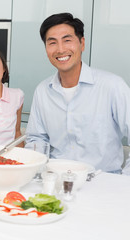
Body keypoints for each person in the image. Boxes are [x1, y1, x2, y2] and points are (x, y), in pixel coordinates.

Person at [26, 12, 130, 174]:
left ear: (82, 43)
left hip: (103, 183)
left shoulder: (112, 86)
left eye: (67, 40)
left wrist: (124, 181)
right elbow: (37, 138)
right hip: (55, 180)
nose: (60, 49)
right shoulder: (42, 90)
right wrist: (35, 172)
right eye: (52, 43)